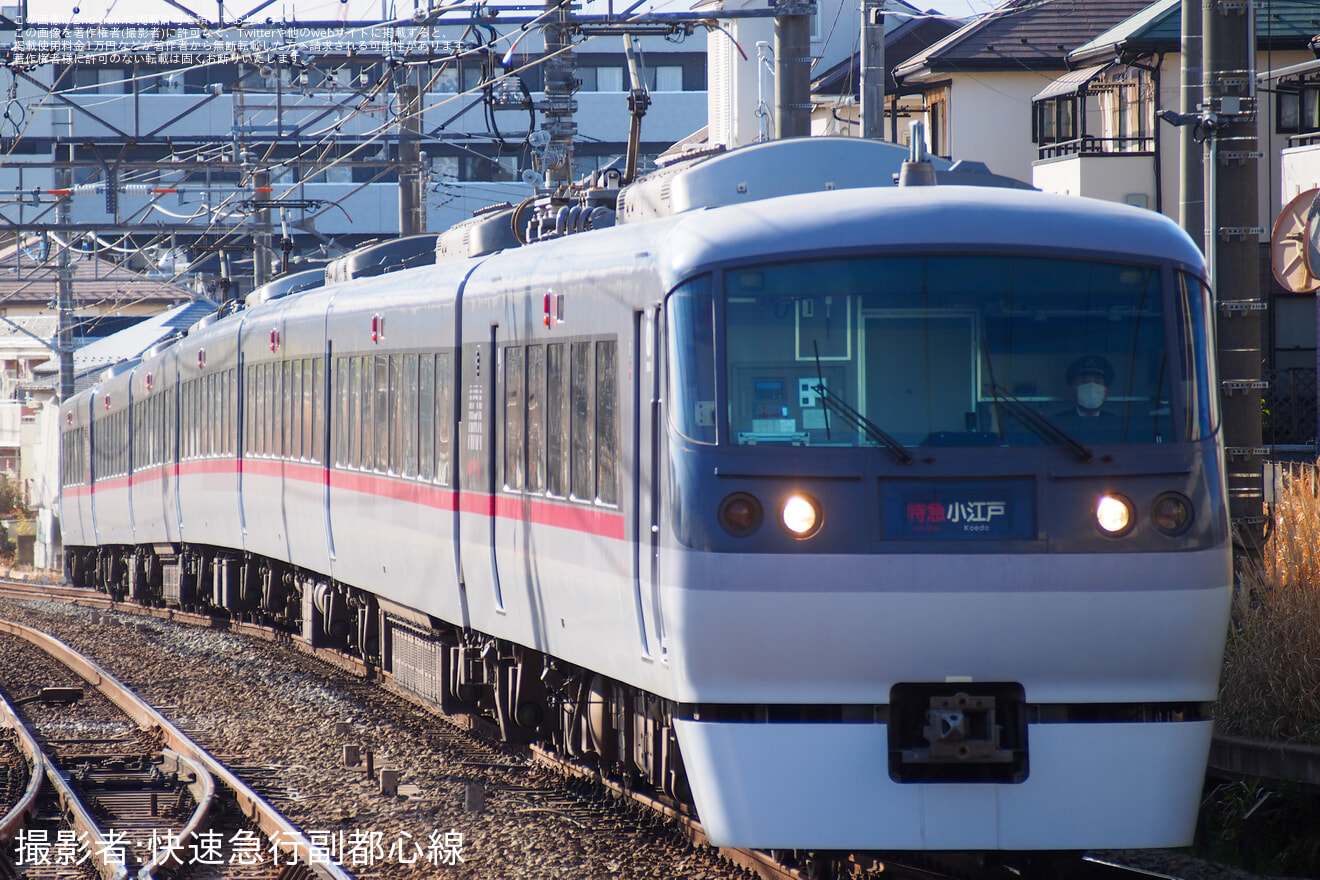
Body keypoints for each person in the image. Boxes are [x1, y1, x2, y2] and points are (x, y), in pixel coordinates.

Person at [1056, 354, 1123, 440]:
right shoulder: (1059, 423)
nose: (1091, 388)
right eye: (1084, 383)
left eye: (1097, 383)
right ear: (1071, 392)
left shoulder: (1116, 424)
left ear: (1106, 393)